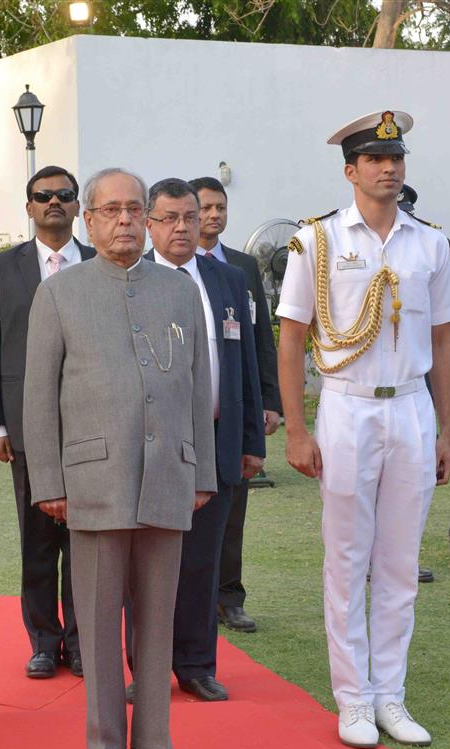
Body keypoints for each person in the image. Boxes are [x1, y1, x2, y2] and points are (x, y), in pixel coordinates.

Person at [23, 167, 216, 749]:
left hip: (168, 473)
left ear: (150, 218)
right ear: (88, 218)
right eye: (111, 210)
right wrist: (49, 479)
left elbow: (198, 388)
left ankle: (155, 743)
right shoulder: (59, 294)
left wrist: (202, 469)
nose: (125, 221)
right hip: (93, 477)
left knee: (158, 617)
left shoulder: (180, 291)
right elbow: (37, 397)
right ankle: (106, 747)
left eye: (135, 209)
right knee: (100, 621)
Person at [277, 110, 450, 749]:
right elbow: (294, 335)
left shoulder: (430, 243)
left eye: (396, 158)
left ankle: (391, 696)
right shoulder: (316, 240)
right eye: (376, 159)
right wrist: (297, 429)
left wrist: (446, 431)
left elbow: (443, 338)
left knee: (401, 563)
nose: (389, 168)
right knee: (348, 560)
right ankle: (353, 699)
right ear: (350, 170)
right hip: (347, 405)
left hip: (410, 405)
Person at [142, 178, 264, 701]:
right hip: (151, 442)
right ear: (150, 224)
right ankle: (145, 670)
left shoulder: (228, 279)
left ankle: (195, 664)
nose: (182, 228)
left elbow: (245, 363)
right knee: (146, 563)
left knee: (203, 560)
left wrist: (251, 439)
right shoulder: (134, 278)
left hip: (215, 439)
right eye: (169, 218)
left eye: (189, 217)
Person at [0, 165, 96, 679]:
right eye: (43, 196)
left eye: (65, 195)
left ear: (78, 207)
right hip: (28, 426)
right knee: (37, 541)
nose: (54, 202)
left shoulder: (103, 265)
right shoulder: (1, 269)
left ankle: (79, 643)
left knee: (85, 540)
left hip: (92, 428)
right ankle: (42, 640)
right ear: (28, 207)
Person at [190, 175, 282, 633]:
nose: (213, 215)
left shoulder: (242, 267)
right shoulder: (154, 266)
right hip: (181, 417)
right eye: (204, 208)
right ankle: (189, 601)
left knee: (232, 511)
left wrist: (269, 400)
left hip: (231, 410)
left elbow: (259, 339)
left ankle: (230, 597)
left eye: (219, 207)